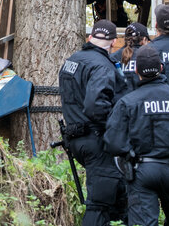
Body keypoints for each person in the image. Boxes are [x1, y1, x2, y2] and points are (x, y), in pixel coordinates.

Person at [105, 46, 169, 226]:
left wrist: (129, 154)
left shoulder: (128, 102)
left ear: (136, 71)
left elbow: (113, 142)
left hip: (142, 171)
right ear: (162, 68)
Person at [58, 19, 126, 225]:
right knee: (99, 205)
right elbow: (95, 106)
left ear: (90, 37)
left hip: (75, 138)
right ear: (114, 42)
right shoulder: (103, 66)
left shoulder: (72, 60)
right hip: (95, 141)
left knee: (117, 195)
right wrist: (116, 130)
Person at [110, 22, 150, 96]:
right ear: (144, 39)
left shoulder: (112, 58)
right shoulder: (148, 57)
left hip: (119, 104)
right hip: (141, 102)